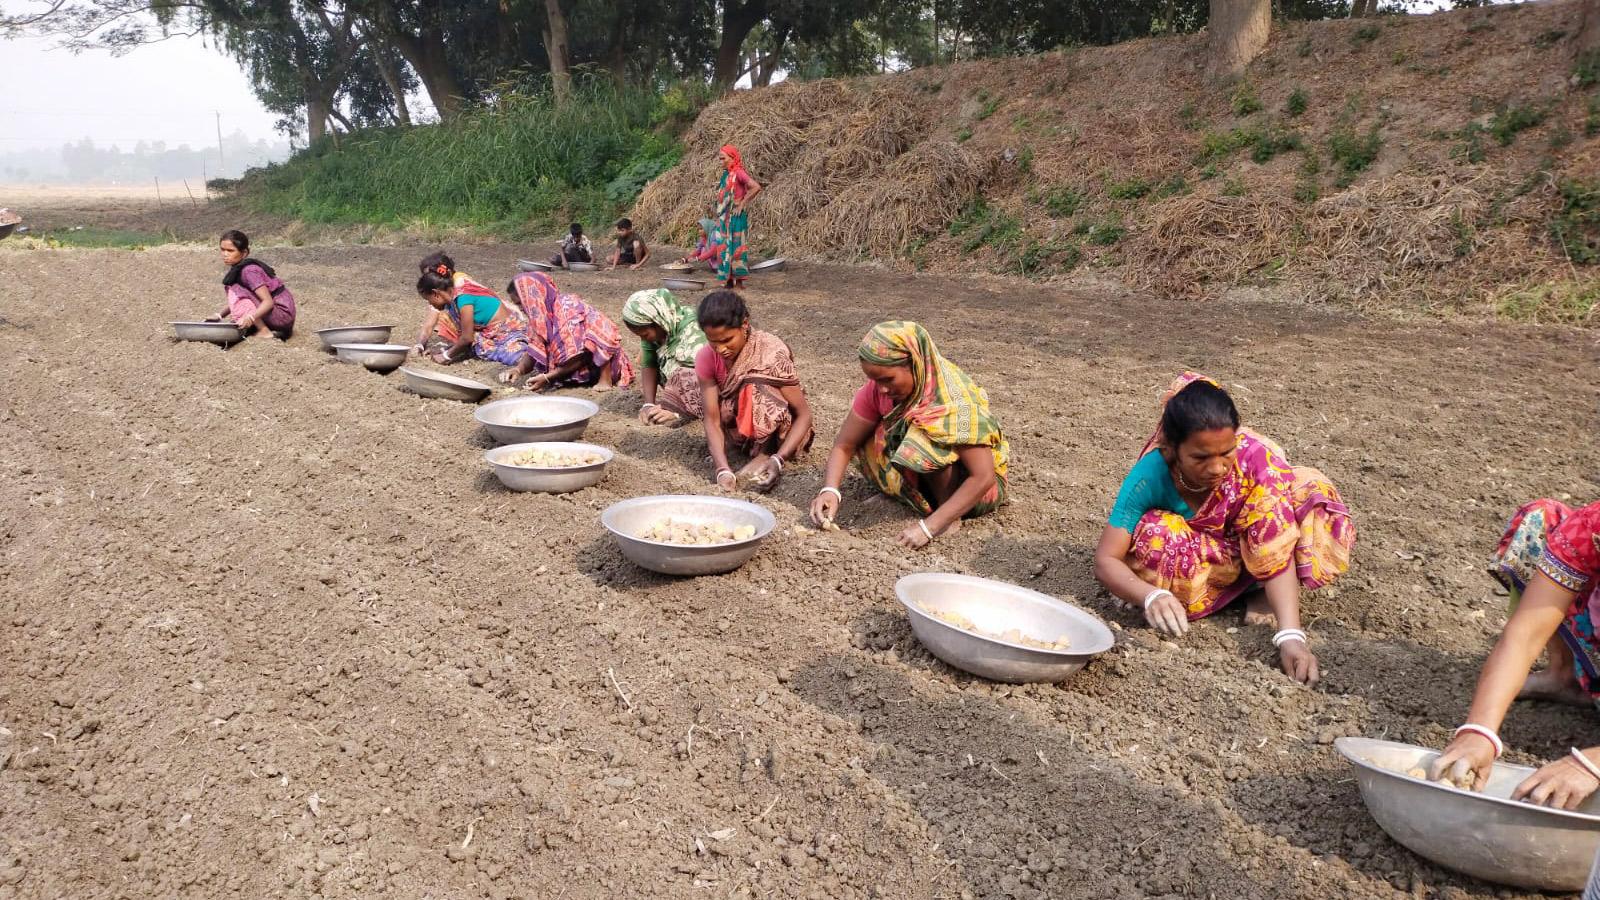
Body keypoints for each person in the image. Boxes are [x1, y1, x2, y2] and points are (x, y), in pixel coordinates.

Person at [1091, 373, 1355, 685]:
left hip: (1252, 547)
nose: (1217, 468)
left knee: (1312, 498)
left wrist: (1290, 636)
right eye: (1200, 457)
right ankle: (1227, 590)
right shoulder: (1150, 474)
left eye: (1226, 453)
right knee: (1155, 536)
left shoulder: (1254, 463)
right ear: (1172, 450)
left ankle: (1261, 592)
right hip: (1204, 551)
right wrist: (1150, 595)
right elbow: (1107, 558)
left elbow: (1275, 547)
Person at [1430, 499, 1600, 809]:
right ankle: (1565, 676)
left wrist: (1592, 763)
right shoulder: (1593, 527)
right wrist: (1479, 731)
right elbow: (1525, 634)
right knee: (1545, 520)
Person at [808, 321, 1007, 549]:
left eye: (887, 379)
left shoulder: (953, 399)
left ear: (915, 364)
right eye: (875, 380)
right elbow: (845, 444)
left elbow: (983, 478)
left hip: (975, 493)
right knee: (872, 434)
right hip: (929, 480)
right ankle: (905, 495)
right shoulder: (877, 391)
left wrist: (929, 527)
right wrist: (830, 490)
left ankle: (948, 518)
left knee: (923, 434)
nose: (881, 389)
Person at [679, 290, 813, 491]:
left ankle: (765, 453)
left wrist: (779, 459)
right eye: (713, 342)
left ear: (744, 325)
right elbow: (712, 418)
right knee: (687, 382)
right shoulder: (706, 357)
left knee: (754, 387)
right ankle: (736, 449)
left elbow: (804, 414)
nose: (721, 349)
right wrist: (722, 469)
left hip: (782, 431)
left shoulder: (769, 351)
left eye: (727, 340)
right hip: (736, 427)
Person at [502, 271, 633, 390]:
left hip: (603, 362)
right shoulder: (539, 316)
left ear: (532, 297)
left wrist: (548, 377)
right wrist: (518, 370)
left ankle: (605, 380)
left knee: (595, 336)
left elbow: (580, 356)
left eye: (521, 303)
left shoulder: (566, 307)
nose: (521, 308)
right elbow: (534, 348)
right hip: (578, 367)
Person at [621, 289, 707, 426]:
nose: (644, 339)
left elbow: (705, 380)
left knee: (679, 370)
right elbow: (649, 363)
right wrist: (648, 404)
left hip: (707, 389)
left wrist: (675, 410)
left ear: (659, 321)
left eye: (645, 335)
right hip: (684, 389)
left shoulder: (694, 332)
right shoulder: (660, 328)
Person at [414, 267, 529, 368]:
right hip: (489, 333)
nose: (430, 304)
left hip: (508, 332)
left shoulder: (463, 299)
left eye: (429, 300)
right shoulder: (453, 299)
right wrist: (445, 349)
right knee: (478, 347)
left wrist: (446, 356)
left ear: (435, 293)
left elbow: (467, 338)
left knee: (513, 355)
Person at [215, 230, 295, 339]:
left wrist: (251, 317)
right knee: (236, 289)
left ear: (244, 253)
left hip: (282, 315)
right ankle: (260, 326)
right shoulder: (239, 269)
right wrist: (219, 315)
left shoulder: (249, 271)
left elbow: (268, 302)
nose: (225, 254)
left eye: (230, 250)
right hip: (277, 315)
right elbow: (244, 298)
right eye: (222, 249)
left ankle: (264, 331)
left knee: (234, 288)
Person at [412, 253, 495, 354]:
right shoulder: (442, 292)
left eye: (431, 276)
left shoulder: (460, 288)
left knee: (445, 316)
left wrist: (447, 354)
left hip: (496, 327)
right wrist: (420, 344)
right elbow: (429, 322)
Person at [713, 145, 761, 289]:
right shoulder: (726, 175)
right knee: (723, 247)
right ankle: (728, 281)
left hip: (735, 218)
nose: (720, 161)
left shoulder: (739, 173)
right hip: (724, 218)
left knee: (737, 248)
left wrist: (741, 205)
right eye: (719, 159)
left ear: (732, 158)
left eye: (723, 158)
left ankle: (739, 282)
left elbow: (755, 187)